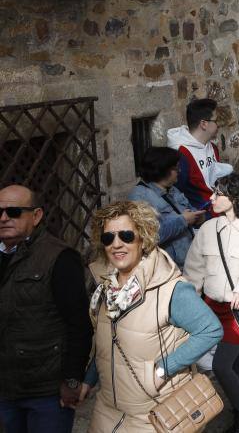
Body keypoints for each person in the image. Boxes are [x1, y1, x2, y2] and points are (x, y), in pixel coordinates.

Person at [82, 200, 222, 432]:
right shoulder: (106, 286)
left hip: (155, 414)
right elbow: (109, 341)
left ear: (142, 237)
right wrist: (89, 379)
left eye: (126, 236)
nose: (117, 244)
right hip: (107, 411)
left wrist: (161, 370)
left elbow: (210, 329)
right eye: (109, 238)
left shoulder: (169, 288)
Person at [183, 173, 239, 433]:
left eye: (217, 193)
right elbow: (193, 272)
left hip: (238, 314)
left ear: (233, 198)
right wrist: (188, 306)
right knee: (234, 364)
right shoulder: (207, 230)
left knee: (220, 365)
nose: (211, 198)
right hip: (211, 310)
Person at [0, 185, 93, 433]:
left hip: (46, 392)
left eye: (14, 211)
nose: (3, 218)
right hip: (6, 389)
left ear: (37, 216)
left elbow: (79, 324)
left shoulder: (59, 257)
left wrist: (72, 379)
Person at [128, 147, 205, 269]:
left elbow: (188, 210)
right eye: (175, 168)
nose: (179, 171)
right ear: (163, 169)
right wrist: (183, 220)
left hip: (189, 262)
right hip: (169, 268)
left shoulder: (172, 189)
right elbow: (149, 236)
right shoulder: (139, 197)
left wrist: (197, 218)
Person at [167, 98, 234, 211]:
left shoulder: (212, 148)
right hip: (201, 218)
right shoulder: (182, 153)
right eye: (216, 121)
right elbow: (177, 193)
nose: (219, 125)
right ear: (204, 124)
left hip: (217, 210)